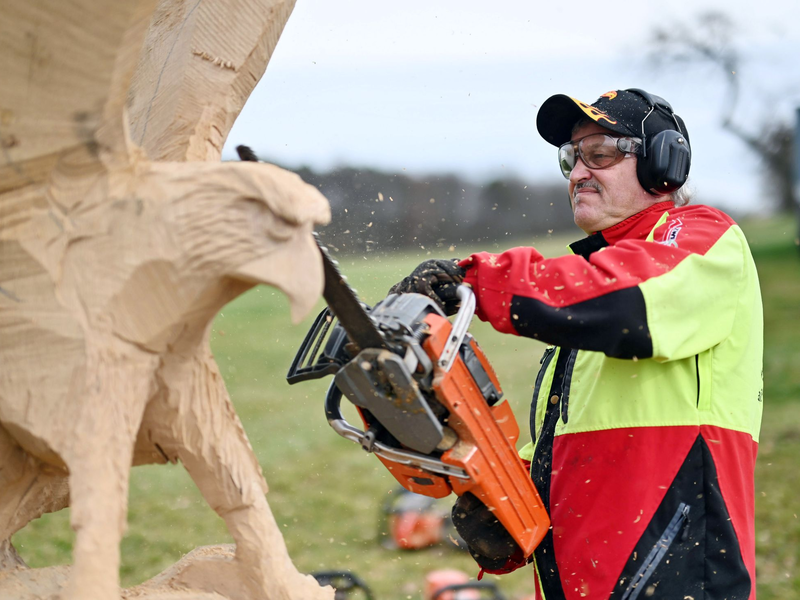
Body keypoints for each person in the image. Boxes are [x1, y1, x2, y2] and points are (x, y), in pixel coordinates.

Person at [389, 88, 763, 600]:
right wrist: (505, 502)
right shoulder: (588, 299)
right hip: (581, 581)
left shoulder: (702, 240)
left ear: (664, 163)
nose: (578, 172)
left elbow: (631, 299)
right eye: (571, 158)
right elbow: (566, 447)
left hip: (670, 570)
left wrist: (474, 282)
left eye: (601, 154)